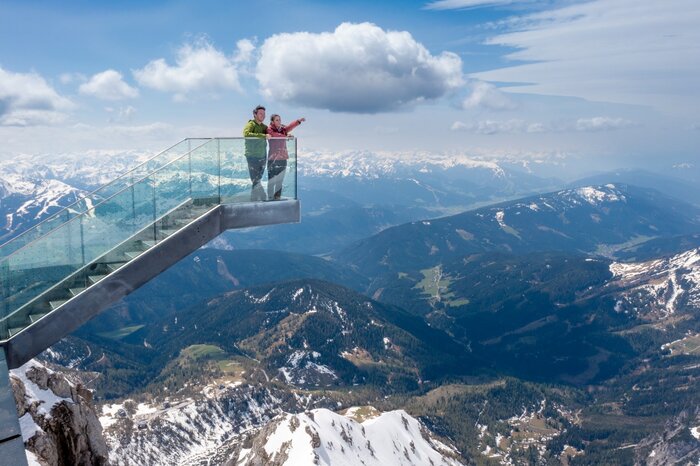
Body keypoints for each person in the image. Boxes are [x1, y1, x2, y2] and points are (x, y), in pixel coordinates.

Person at [266, 114, 305, 200]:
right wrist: (286, 136)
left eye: (279, 119)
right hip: (273, 159)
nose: (279, 121)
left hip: (283, 159)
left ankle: (277, 199)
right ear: (272, 122)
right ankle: (270, 198)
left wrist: (298, 121)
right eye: (277, 120)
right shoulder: (269, 130)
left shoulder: (283, 129)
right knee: (271, 181)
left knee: (279, 182)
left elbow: (290, 127)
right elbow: (275, 136)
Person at [242, 105, 271, 201]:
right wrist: (263, 136)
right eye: (260, 113)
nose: (263, 115)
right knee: (256, 180)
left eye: (264, 114)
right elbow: (246, 134)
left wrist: (287, 135)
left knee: (257, 180)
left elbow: (273, 132)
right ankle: (262, 198)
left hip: (262, 156)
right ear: (255, 114)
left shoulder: (264, 127)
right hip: (252, 156)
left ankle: (254, 200)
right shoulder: (251, 124)